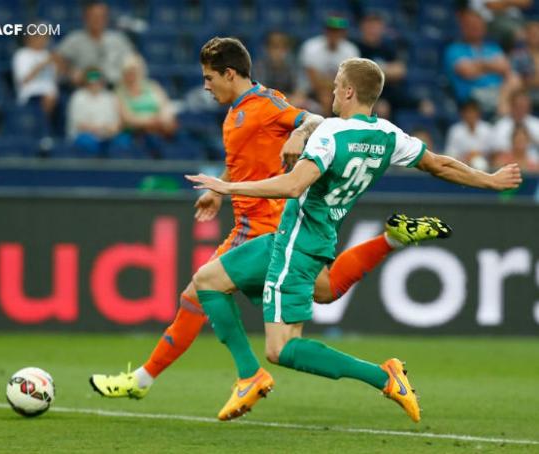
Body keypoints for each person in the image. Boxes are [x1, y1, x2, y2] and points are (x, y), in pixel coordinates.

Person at [89, 39, 451, 400]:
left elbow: (314, 119)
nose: (205, 85)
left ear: (230, 74)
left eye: (209, 77)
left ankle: (182, 378)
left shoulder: (265, 104)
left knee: (200, 291)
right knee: (325, 290)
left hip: (262, 225)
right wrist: (219, 191)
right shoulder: (235, 114)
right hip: (261, 224)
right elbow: (244, 162)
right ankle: (392, 239)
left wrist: (297, 133)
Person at [186, 57, 522, 422]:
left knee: (281, 349)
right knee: (211, 280)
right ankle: (248, 375)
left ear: (348, 91)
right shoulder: (389, 135)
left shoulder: (332, 132)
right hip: (317, 235)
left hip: (295, 242)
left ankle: (383, 377)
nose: (331, 91)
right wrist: (489, 179)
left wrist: (227, 186)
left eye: (335, 85)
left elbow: (293, 185)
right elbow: (439, 164)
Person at [444, 9, 521, 116]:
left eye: (478, 25)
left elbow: (505, 67)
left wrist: (478, 66)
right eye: (471, 25)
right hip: (473, 97)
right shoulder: (455, 49)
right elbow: (467, 72)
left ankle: (503, 110)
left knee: (515, 78)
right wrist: (493, 66)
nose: (475, 28)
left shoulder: (493, 47)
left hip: (499, 92)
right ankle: (503, 112)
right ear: (463, 28)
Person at [53, 1, 134, 87]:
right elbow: (56, 60)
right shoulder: (75, 39)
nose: (97, 20)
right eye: (93, 17)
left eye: (101, 16)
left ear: (106, 18)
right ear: (85, 18)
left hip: (115, 88)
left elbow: (133, 63)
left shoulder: (119, 39)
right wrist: (70, 72)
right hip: (86, 89)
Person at [66, 67, 122, 156]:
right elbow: (79, 124)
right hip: (84, 136)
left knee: (122, 142)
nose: (95, 83)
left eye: (98, 79)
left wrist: (111, 129)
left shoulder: (110, 97)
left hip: (107, 137)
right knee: (88, 143)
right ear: (86, 81)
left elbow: (116, 124)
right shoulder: (78, 97)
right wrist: (99, 129)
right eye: (91, 80)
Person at [12, 28, 58, 116]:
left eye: (45, 37)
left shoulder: (48, 54)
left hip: (52, 96)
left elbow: (56, 79)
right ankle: (43, 126)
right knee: (48, 98)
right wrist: (42, 64)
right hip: (32, 94)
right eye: (41, 37)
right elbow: (24, 80)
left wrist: (59, 65)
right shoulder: (22, 54)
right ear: (31, 38)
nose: (44, 40)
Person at [444, 99, 494, 169]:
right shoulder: (455, 131)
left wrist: (478, 154)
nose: (470, 115)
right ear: (462, 114)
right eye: (468, 112)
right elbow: (450, 154)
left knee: (479, 162)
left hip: (486, 165)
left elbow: (493, 152)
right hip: (461, 165)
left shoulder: (487, 129)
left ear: (478, 113)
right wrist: (465, 157)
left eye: (473, 112)